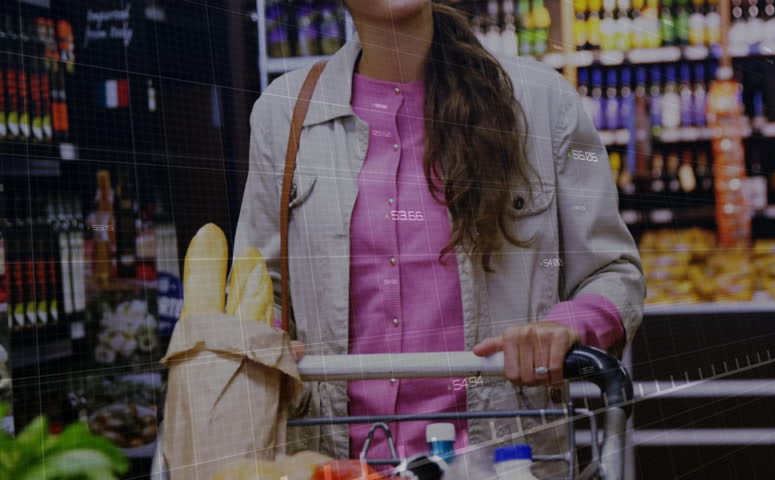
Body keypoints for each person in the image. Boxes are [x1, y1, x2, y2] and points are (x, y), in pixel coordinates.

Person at [233, 0, 645, 475]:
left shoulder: (541, 102)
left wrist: (567, 325)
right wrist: (265, 340)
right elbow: (261, 289)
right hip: (335, 464)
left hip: (504, 461)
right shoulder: (284, 116)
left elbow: (613, 272)